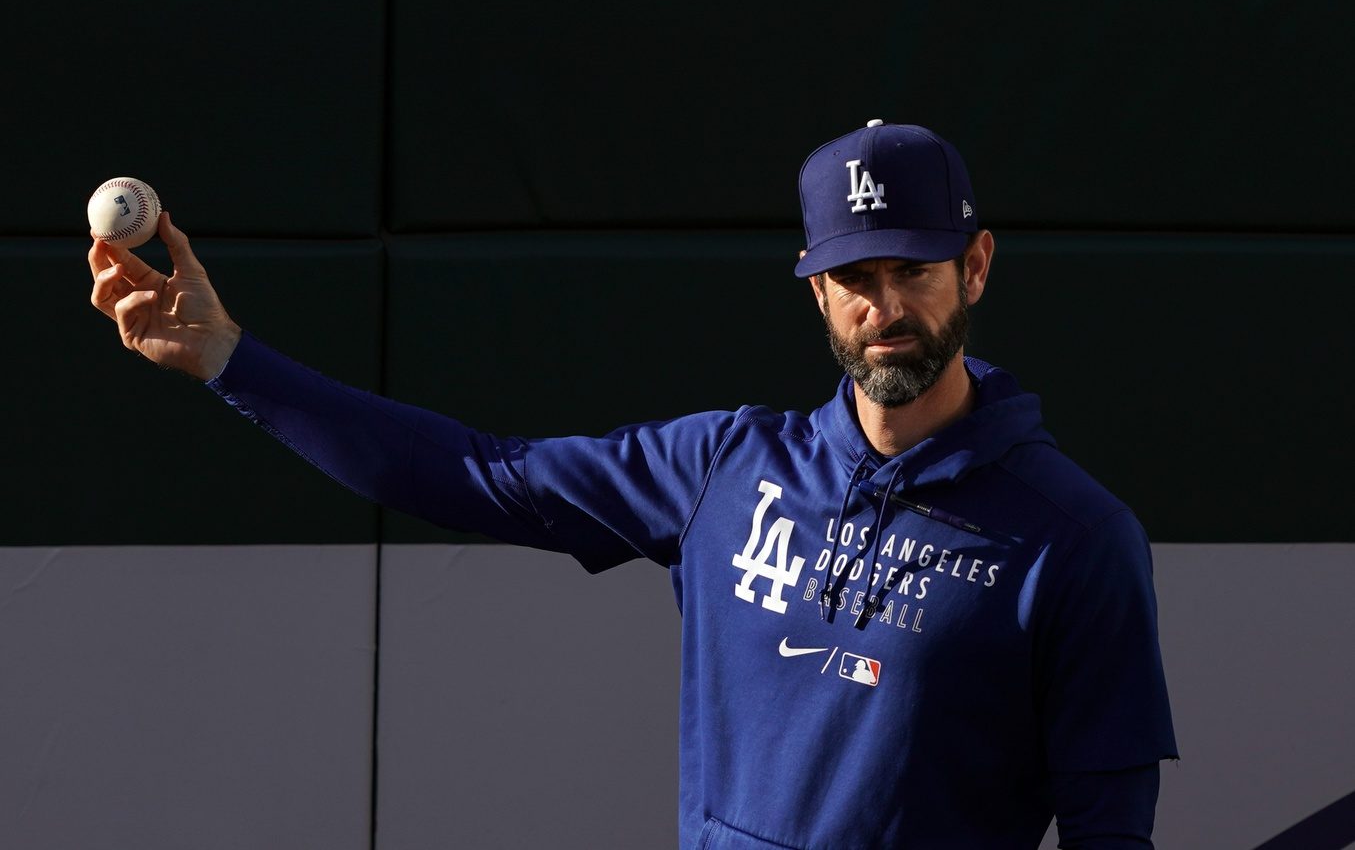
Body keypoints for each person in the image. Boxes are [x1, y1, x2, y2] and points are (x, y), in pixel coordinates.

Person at [88, 120, 1177, 849]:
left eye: (913, 270)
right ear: (813, 290)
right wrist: (230, 358)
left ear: (973, 267)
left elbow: (1107, 829)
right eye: (853, 276)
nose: (883, 304)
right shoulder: (721, 469)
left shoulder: (1074, 538)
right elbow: (475, 473)